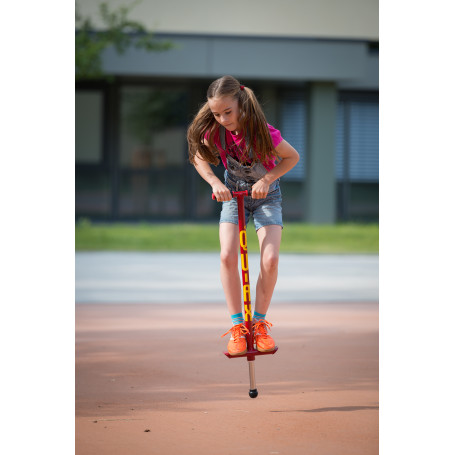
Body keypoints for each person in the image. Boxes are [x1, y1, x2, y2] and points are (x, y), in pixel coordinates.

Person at [187, 75, 299, 356]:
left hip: (267, 197)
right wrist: (215, 182)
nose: (223, 119)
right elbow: (199, 156)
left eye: (228, 112)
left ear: (242, 105)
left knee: (270, 259)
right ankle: (238, 327)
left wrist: (267, 180)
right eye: (216, 114)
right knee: (227, 255)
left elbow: (292, 157)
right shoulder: (215, 132)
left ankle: (259, 324)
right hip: (234, 196)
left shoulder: (263, 132)